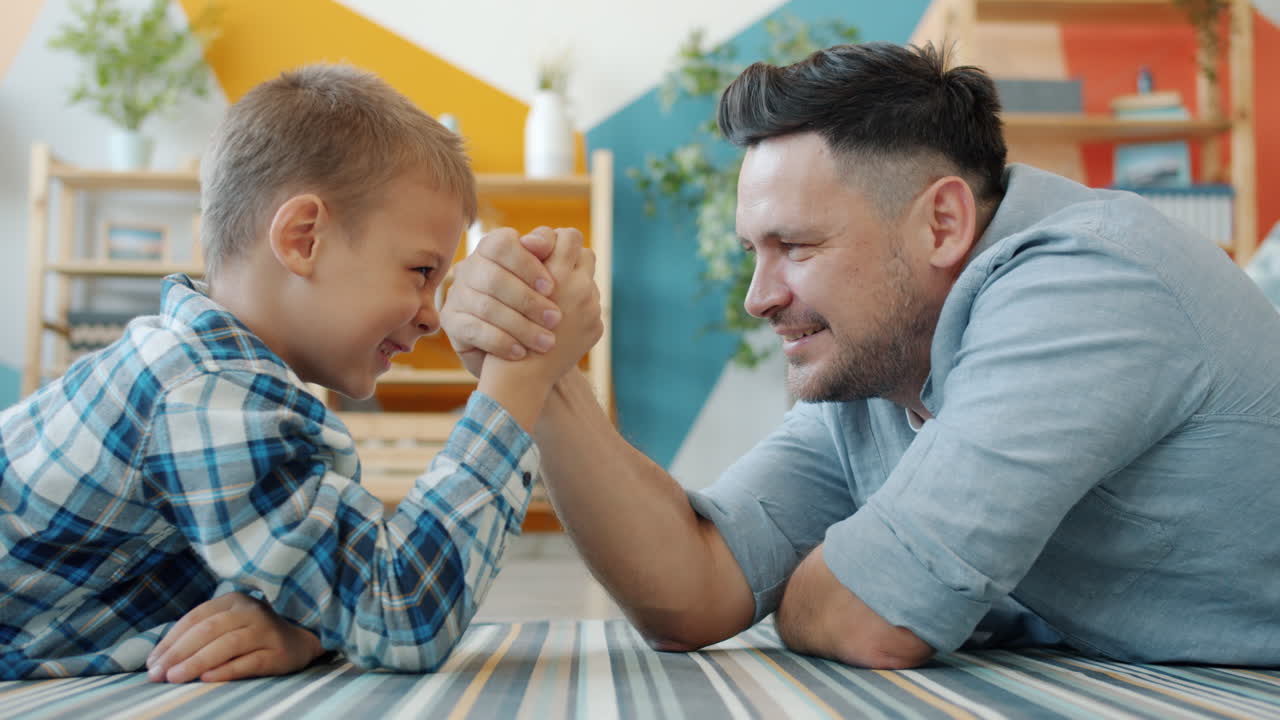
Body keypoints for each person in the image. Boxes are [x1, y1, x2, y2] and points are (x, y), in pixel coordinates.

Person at [440, 42, 1280, 668]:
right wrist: (538, 366)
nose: (758, 297)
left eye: (796, 247)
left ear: (942, 224)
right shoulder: (882, 368)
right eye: (752, 252)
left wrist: (851, 575)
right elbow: (689, 594)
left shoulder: (1085, 286)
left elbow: (868, 618)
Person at [0, 64, 602, 681]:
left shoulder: (216, 378)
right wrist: (517, 382)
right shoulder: (202, 394)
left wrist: (305, 628)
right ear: (303, 237)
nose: (433, 316)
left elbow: (340, 591)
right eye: (422, 272)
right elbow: (399, 610)